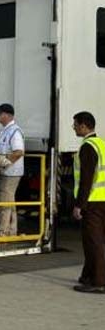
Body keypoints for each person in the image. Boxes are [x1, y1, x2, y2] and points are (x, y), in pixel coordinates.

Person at [71, 111, 105, 293]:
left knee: (94, 241)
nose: (73, 127)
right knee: (94, 240)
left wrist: (79, 205)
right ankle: (88, 276)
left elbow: (86, 179)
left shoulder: (88, 147)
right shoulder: (101, 144)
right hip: (103, 199)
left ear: (84, 125)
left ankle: (98, 282)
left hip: (93, 202)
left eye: (75, 124)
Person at [0, 103, 25, 238]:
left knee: (4, 204)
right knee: (9, 203)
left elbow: (18, 152)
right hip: (4, 172)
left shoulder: (14, 131)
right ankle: (11, 231)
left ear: (6, 115)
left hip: (10, 173)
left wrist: (4, 163)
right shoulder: (4, 131)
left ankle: (2, 233)